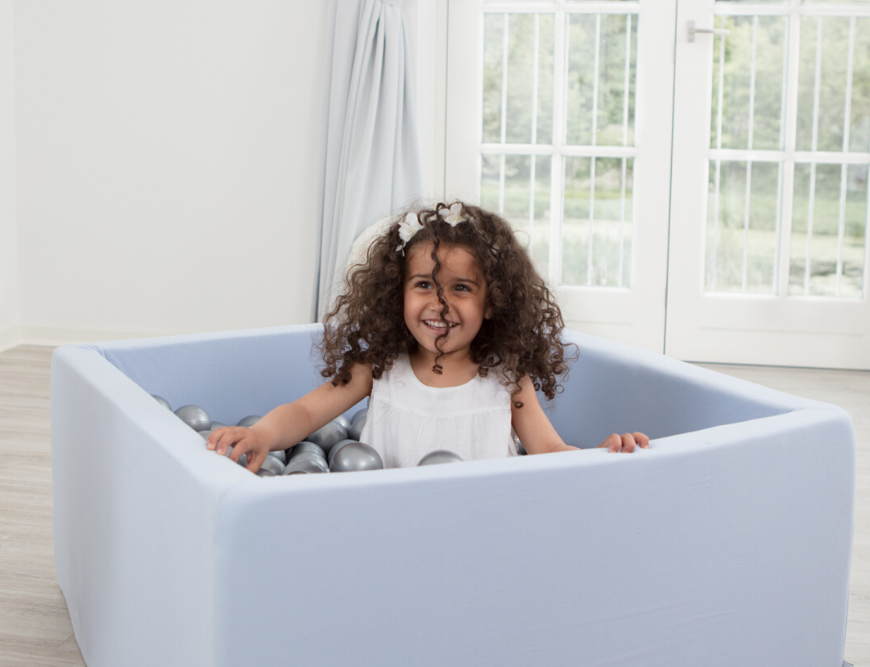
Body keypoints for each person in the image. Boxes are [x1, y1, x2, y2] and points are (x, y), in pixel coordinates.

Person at [207, 201, 649, 471]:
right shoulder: (379, 365)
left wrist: (600, 458)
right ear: (396, 293)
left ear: (491, 302)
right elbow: (306, 412)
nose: (440, 304)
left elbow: (548, 449)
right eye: (423, 285)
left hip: (482, 531)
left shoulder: (506, 378)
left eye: (461, 288)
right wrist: (263, 434)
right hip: (391, 528)